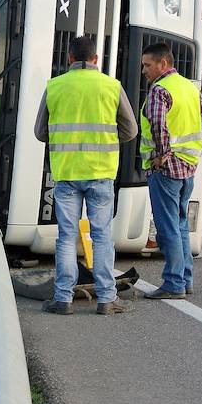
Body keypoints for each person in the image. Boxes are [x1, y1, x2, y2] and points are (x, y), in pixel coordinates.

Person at [34, 36, 138, 315]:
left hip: (66, 172)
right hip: (101, 172)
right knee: (101, 236)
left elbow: (39, 132)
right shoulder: (111, 86)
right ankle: (107, 299)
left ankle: (63, 299)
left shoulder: (54, 86)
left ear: (70, 58)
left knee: (66, 237)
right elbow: (131, 130)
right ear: (95, 59)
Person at [139, 42, 202, 299]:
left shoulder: (160, 90)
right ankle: (185, 279)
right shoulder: (188, 87)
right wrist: (201, 143)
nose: (144, 70)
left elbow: (158, 124)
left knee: (167, 227)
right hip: (188, 166)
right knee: (180, 224)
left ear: (163, 63)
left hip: (166, 169)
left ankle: (173, 283)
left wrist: (161, 155)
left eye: (147, 65)